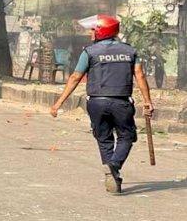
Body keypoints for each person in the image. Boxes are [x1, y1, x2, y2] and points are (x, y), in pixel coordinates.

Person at [50, 14, 154, 195]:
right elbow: (140, 76)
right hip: (121, 102)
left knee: (104, 138)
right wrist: (147, 101)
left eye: (94, 30)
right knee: (127, 136)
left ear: (101, 31)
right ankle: (114, 165)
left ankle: (112, 174)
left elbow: (75, 77)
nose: (91, 33)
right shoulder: (130, 51)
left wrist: (58, 103)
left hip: (96, 103)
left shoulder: (89, 52)